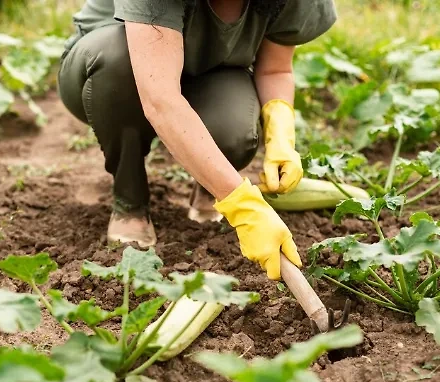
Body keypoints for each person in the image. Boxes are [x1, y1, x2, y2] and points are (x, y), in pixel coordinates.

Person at [58, 0, 337, 280]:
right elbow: (161, 100)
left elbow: (276, 70)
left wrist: (281, 135)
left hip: (209, 72)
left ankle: (209, 184)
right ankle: (129, 200)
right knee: (119, 61)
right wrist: (243, 206)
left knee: (235, 130)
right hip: (113, 69)